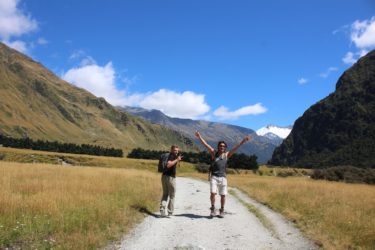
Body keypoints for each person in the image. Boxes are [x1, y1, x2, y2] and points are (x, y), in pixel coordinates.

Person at [195, 131, 251, 218]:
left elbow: (235, 148)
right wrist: (199, 137)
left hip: (223, 177)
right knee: (213, 193)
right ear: (218, 147)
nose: (222, 147)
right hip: (214, 177)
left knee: (223, 195)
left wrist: (243, 141)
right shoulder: (213, 153)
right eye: (220, 146)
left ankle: (222, 210)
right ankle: (213, 209)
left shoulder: (226, 155)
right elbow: (205, 145)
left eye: (223, 146)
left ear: (225, 148)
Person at [160, 145, 183, 217]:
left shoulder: (169, 156)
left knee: (165, 194)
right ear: (171, 150)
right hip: (170, 178)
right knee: (172, 195)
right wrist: (177, 159)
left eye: (177, 150)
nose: (176, 152)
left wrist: (177, 159)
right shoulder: (172, 156)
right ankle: (170, 212)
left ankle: (162, 209)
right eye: (175, 150)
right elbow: (168, 165)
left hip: (164, 176)